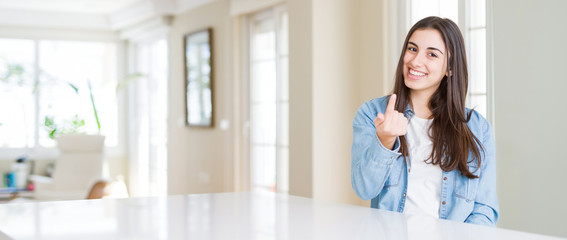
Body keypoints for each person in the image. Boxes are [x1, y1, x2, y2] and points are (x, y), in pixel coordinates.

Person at [351, 16, 498, 226]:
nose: (415, 61)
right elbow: (364, 189)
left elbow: (485, 209)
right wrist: (385, 140)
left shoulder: (477, 128)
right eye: (412, 49)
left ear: (450, 68)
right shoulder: (372, 113)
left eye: (431, 54)